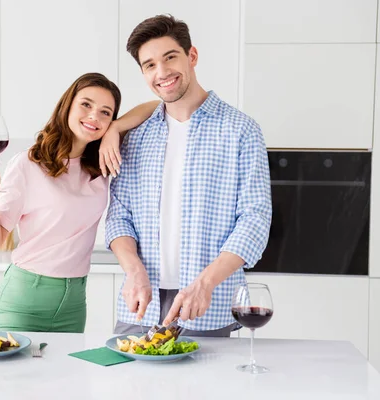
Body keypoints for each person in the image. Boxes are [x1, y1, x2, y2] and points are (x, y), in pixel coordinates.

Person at [105, 15, 272, 337]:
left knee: (206, 387)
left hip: (206, 303)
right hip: (140, 303)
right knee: (127, 388)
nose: (162, 73)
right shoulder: (136, 134)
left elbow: (254, 218)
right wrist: (133, 270)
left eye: (170, 58)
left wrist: (204, 283)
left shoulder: (240, 129)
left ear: (191, 56)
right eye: (149, 65)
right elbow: (118, 215)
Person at [0, 72, 156, 333]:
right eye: (86, 105)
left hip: (74, 302)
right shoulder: (28, 163)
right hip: (24, 300)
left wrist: (116, 128)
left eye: (106, 113)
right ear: (67, 105)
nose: (95, 116)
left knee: (67, 375)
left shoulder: (102, 163)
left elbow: (157, 105)